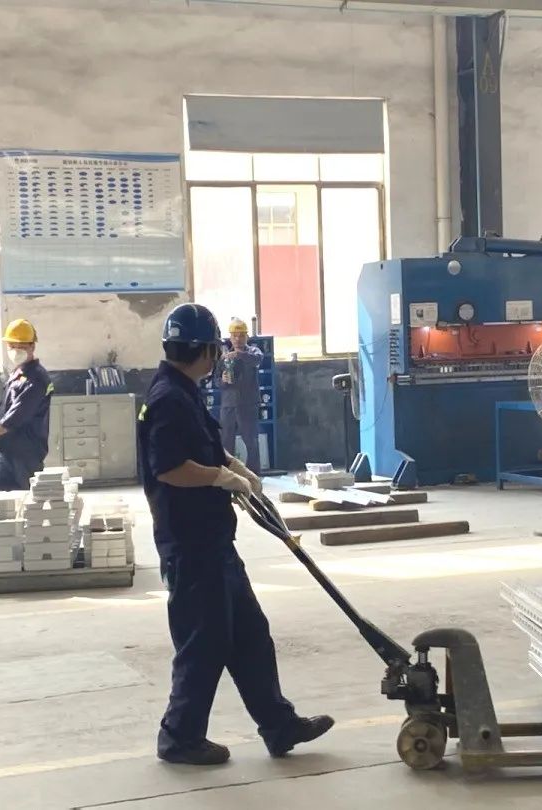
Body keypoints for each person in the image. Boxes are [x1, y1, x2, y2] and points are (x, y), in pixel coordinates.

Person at [138, 303, 333, 766]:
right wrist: (220, 478)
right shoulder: (168, 399)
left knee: (250, 635)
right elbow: (170, 468)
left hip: (213, 542)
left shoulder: (182, 392)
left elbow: (202, 448)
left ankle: (279, 725)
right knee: (203, 642)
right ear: (205, 350)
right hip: (190, 545)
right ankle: (179, 737)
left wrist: (232, 465)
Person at [0, 319, 53, 491]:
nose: (16, 351)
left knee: (28, 498)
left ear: (32, 346)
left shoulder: (37, 378)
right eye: (12, 346)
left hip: (27, 452)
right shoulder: (16, 374)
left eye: (21, 346)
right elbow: (4, 409)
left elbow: (18, 413)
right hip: (8, 450)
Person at [216, 318, 264, 475]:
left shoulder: (253, 352)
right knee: (226, 441)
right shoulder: (224, 357)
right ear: (230, 338)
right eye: (234, 336)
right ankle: (228, 473)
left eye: (241, 335)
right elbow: (216, 380)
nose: (238, 339)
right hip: (228, 405)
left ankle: (254, 473)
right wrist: (223, 380)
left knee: (251, 440)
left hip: (247, 404)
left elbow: (257, 360)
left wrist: (239, 354)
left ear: (247, 337)